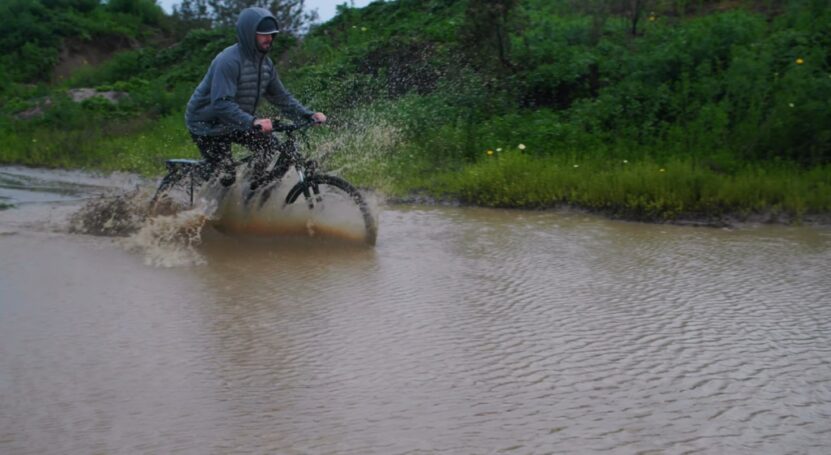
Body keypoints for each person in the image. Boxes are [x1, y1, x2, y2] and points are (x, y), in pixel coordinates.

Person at [185, 7, 326, 190]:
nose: (269, 39)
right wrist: (253, 121)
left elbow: (280, 97)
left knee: (269, 148)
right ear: (248, 34)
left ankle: (251, 190)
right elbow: (221, 103)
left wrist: (308, 115)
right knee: (225, 175)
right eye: (263, 34)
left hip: (236, 120)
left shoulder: (265, 64)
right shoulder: (228, 61)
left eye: (272, 34)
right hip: (206, 124)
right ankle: (189, 182)